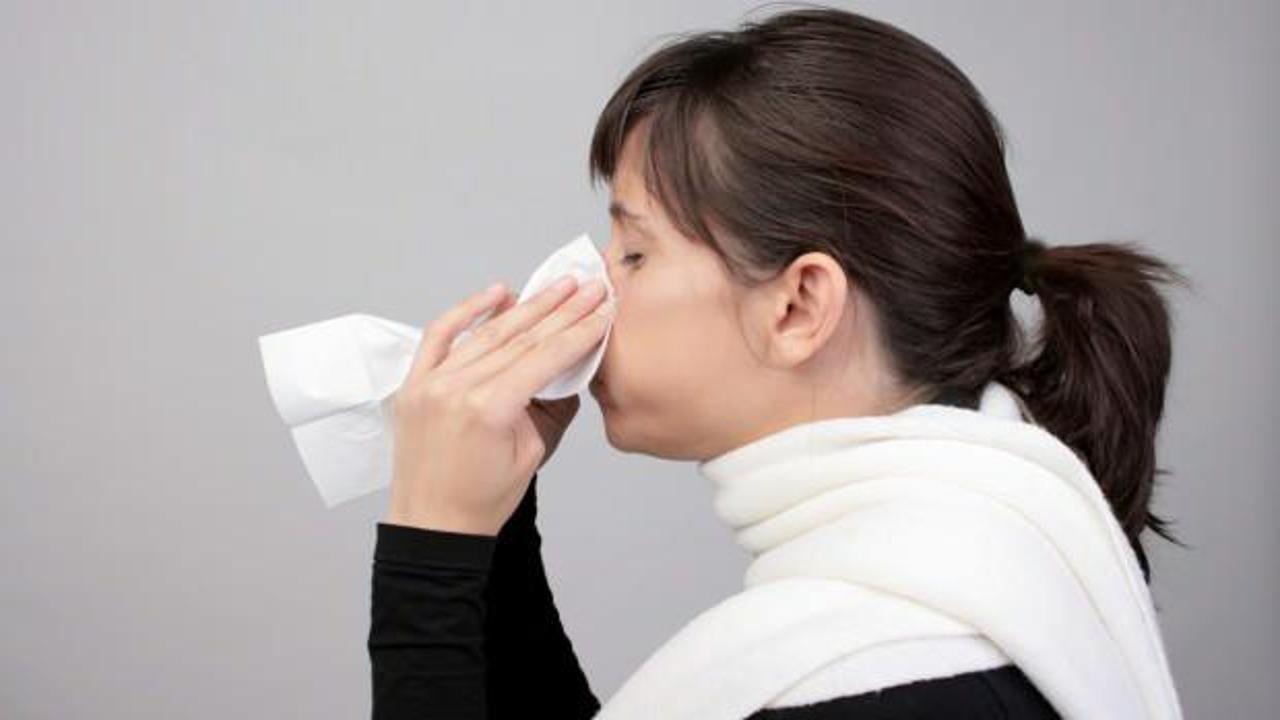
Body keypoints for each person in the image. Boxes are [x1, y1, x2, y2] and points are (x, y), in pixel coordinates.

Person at [369, 6, 1190, 718]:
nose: (588, 289)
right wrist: (488, 529)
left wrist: (428, 547)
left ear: (798, 307)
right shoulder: (1009, 553)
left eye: (635, 253)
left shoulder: (885, 683)